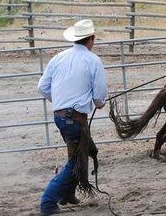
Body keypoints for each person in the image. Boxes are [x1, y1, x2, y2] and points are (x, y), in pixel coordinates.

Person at [38, 19, 108, 215]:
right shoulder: (93, 60)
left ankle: (67, 195)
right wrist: (99, 103)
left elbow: (42, 88)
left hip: (60, 117)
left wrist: (61, 103)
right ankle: (48, 202)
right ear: (91, 39)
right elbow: (99, 95)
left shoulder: (58, 58)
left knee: (80, 154)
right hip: (75, 119)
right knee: (77, 161)